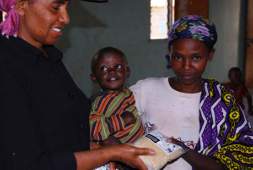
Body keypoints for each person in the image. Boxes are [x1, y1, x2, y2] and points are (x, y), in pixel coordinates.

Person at [0, 0, 155, 170]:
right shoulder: (8, 68)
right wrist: (112, 153)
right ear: (21, 6)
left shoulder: (50, 58)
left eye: (68, 7)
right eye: (55, 7)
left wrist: (91, 149)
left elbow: (52, 131)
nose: (66, 18)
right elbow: (28, 164)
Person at [130, 15, 253, 170]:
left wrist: (184, 151)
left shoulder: (221, 102)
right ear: (170, 53)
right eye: (178, 57)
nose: (186, 66)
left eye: (196, 57)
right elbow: (109, 110)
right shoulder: (147, 89)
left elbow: (240, 158)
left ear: (210, 55)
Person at [89, 47, 144, 146]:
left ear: (127, 72)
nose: (111, 71)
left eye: (117, 66)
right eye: (104, 68)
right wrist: (121, 120)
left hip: (140, 144)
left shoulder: (127, 92)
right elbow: (95, 129)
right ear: (94, 77)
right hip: (121, 153)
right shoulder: (100, 102)